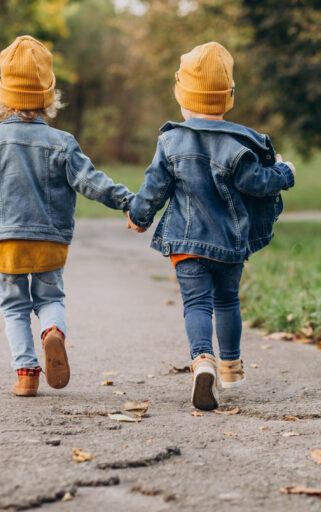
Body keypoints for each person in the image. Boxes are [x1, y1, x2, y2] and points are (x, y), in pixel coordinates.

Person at [0, 36, 133, 397]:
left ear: (1, 97)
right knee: (51, 298)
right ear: (50, 98)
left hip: (5, 243)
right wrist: (127, 201)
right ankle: (52, 331)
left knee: (14, 308)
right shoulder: (63, 143)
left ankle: (26, 374)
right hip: (50, 241)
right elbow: (91, 182)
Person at [126, 42, 296, 410]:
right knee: (227, 300)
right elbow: (258, 184)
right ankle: (232, 366)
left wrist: (138, 217)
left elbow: (154, 188)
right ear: (228, 97)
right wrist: (285, 172)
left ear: (181, 95)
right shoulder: (240, 143)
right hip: (230, 244)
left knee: (197, 304)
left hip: (187, 245)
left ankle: (203, 361)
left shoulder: (170, 141)